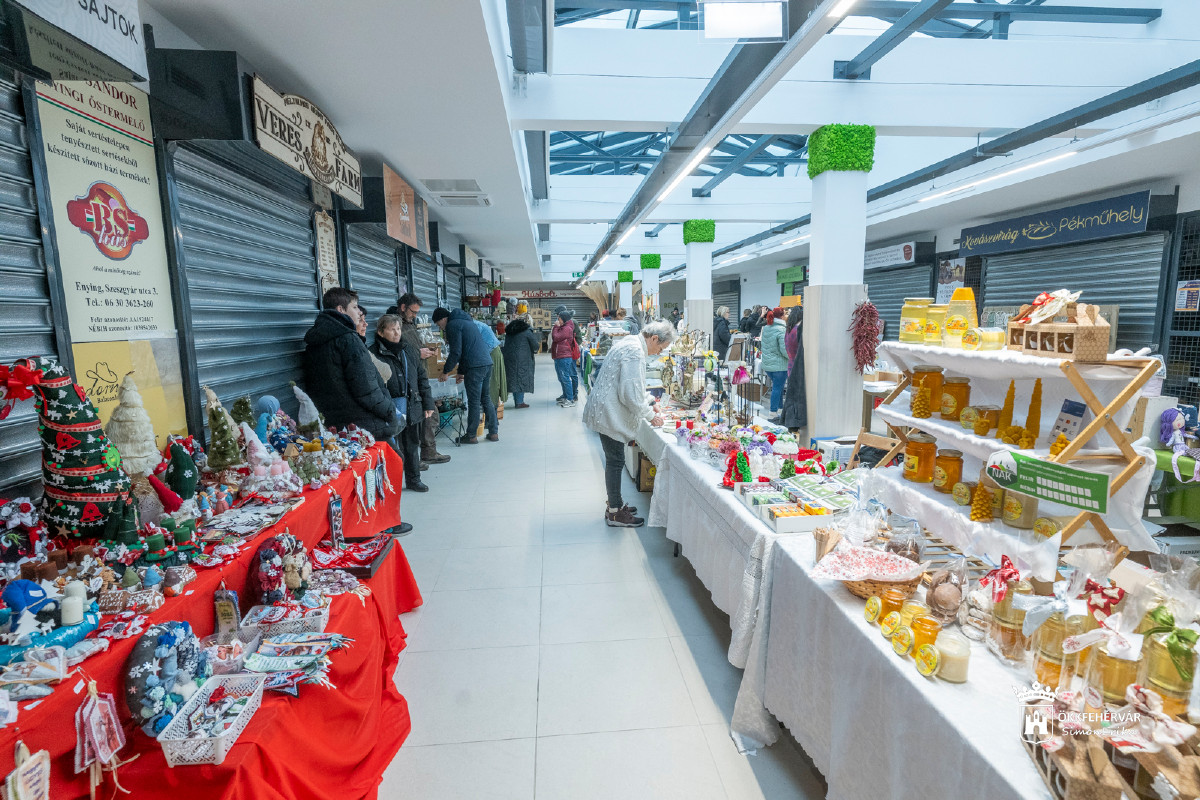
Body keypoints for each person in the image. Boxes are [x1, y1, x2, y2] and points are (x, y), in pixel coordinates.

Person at [582, 320, 676, 527]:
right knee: (615, 461)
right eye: (661, 348)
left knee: (614, 460)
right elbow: (631, 394)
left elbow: (633, 385)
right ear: (653, 338)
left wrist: (650, 401)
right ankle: (615, 512)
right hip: (609, 413)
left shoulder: (631, 343)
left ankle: (614, 504)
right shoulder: (635, 352)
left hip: (606, 409)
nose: (658, 353)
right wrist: (651, 415)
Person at [302, 287, 399, 444]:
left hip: (335, 427)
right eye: (354, 307)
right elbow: (367, 388)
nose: (359, 312)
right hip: (364, 428)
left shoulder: (315, 343)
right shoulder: (349, 339)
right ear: (341, 310)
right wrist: (390, 410)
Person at [369, 314, 430, 492]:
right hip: (388, 407)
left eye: (398, 329)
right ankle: (391, 484)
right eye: (392, 330)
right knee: (391, 448)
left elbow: (421, 377)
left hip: (411, 404)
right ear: (381, 332)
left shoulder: (408, 349)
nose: (397, 333)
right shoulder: (373, 353)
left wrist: (428, 403)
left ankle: (414, 479)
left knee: (412, 445)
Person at [390, 293, 451, 465]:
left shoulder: (410, 324)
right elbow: (396, 350)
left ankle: (427, 452)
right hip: (407, 381)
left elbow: (410, 347)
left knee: (430, 414)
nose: (415, 315)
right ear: (403, 307)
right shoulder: (395, 325)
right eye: (413, 311)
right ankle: (412, 459)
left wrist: (424, 350)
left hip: (418, 377)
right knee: (412, 422)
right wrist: (418, 353)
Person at [433, 306, 497, 443]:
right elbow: (465, 349)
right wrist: (460, 372)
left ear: (443, 319)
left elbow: (456, 352)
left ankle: (471, 435)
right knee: (485, 398)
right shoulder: (467, 322)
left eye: (439, 324)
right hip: (486, 362)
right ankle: (494, 433)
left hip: (474, 367)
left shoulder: (452, 325)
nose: (441, 328)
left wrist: (445, 372)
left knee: (474, 401)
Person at [780, 305, 808, 433]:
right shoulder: (799, 330)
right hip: (798, 365)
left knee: (791, 395)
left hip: (790, 364)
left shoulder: (789, 330)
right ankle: (794, 422)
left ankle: (790, 422)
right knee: (797, 397)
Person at [760, 306, 790, 419]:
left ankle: (780, 409)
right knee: (777, 388)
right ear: (782, 316)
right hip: (779, 365)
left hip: (768, 365)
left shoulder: (766, 328)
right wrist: (791, 357)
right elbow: (784, 349)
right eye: (785, 313)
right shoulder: (781, 329)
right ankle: (773, 412)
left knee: (779, 387)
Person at [503, 314, 538, 408]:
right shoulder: (527, 331)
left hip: (509, 357)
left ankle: (517, 400)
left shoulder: (510, 331)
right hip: (522, 358)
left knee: (513, 378)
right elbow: (535, 345)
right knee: (521, 377)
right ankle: (519, 402)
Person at [476, 318, 508, 415]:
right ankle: (491, 416)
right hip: (491, 352)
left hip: (491, 353)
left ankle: (492, 416)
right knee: (492, 384)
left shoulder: (474, 326)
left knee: (492, 384)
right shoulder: (475, 324)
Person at [550, 309, 579, 407]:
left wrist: (555, 327)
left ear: (563, 319)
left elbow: (556, 337)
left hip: (564, 356)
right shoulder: (564, 327)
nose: (557, 320)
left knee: (565, 378)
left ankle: (570, 399)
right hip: (560, 355)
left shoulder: (567, 329)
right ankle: (566, 396)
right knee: (562, 377)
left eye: (559, 318)